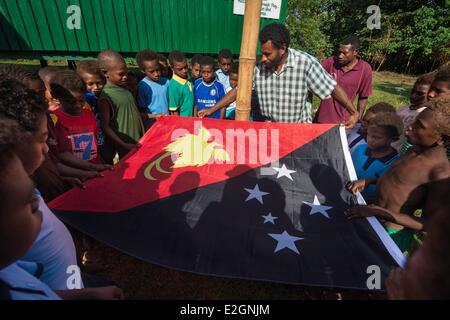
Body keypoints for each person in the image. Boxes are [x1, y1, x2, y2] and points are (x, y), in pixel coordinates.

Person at [0, 82, 124, 299]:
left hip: (71, 281)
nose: (47, 147)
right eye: (42, 140)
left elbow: (39, 288)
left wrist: (85, 294)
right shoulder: (12, 193)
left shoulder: (17, 188)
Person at [198, 23, 359, 127]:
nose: (263, 58)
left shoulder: (305, 63)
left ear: (282, 48)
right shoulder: (260, 68)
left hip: (296, 135)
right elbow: (240, 90)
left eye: (268, 54)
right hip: (269, 133)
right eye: (262, 53)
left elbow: (332, 87)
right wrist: (212, 109)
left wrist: (353, 112)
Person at [346, 96, 450, 253]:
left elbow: (429, 223)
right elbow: (398, 182)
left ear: (441, 139)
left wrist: (380, 212)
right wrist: (369, 181)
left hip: (392, 235)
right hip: (371, 216)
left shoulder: (440, 173)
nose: (409, 127)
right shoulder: (412, 150)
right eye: (414, 121)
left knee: (373, 273)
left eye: (419, 126)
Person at [97, 50, 144, 163]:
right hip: (126, 147)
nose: (125, 77)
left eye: (126, 73)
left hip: (139, 141)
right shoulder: (106, 97)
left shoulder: (125, 88)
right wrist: (123, 144)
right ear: (105, 73)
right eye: (121, 74)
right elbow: (105, 126)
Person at [50, 70, 105, 165]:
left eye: (81, 100)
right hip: (73, 174)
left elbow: (94, 145)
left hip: (95, 168)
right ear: (56, 97)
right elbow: (58, 153)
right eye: (70, 102)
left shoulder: (89, 114)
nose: (78, 106)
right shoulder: (54, 119)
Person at [346, 112, 403, 203]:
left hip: (367, 205)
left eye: (376, 137)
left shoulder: (394, 163)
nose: (370, 139)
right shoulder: (360, 149)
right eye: (368, 134)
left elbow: (387, 188)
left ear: (394, 139)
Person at [315, 36, 372, 123]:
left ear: (355, 52)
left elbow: (363, 97)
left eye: (344, 53)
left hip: (343, 122)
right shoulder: (331, 62)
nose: (340, 56)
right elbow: (313, 74)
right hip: (321, 119)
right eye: (339, 52)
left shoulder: (365, 69)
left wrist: (357, 119)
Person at [394, 73, 434, 152]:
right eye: (413, 91)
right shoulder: (403, 108)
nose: (413, 96)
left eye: (420, 94)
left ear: (431, 95)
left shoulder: (426, 116)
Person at [136, 49, 169, 123]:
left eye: (157, 70)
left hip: (168, 121)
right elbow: (141, 113)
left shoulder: (166, 82)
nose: (156, 74)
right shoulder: (142, 87)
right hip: (153, 124)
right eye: (152, 71)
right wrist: (155, 116)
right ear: (143, 70)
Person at [168, 50, 194, 117]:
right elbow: (174, 111)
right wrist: (179, 125)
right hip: (184, 121)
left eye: (185, 67)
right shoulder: (173, 86)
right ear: (172, 68)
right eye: (180, 69)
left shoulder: (189, 76)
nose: (184, 71)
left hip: (195, 117)